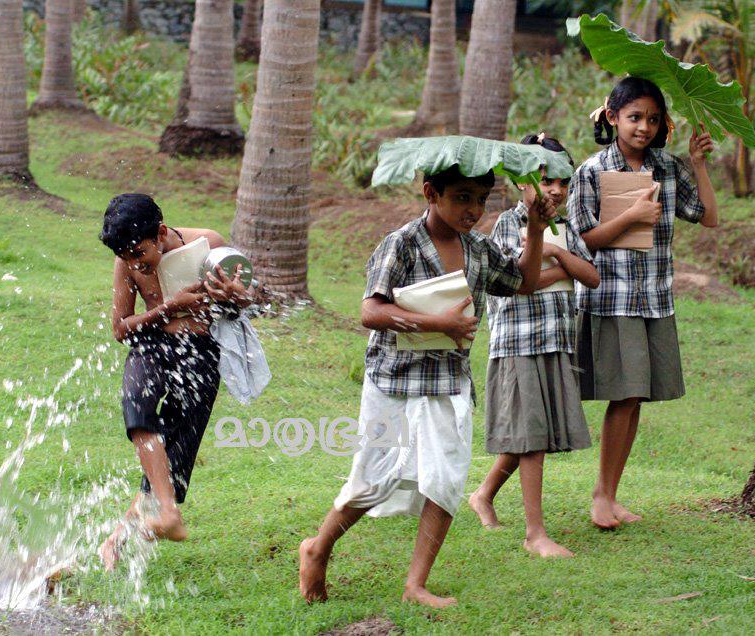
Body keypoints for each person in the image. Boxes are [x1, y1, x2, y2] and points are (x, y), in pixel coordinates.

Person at [299, 165, 557, 608]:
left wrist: (535, 230)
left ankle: (416, 585)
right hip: (394, 383)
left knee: (445, 480)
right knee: (372, 481)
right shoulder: (400, 244)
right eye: (462, 198)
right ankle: (317, 548)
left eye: (480, 199)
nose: (473, 210)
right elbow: (370, 312)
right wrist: (437, 322)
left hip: (448, 382)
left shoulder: (477, 247)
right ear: (430, 193)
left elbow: (524, 282)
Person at [566, 77, 718, 529]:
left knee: (634, 399)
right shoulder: (592, 171)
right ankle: (601, 496)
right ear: (612, 117)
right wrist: (631, 215)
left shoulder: (669, 169)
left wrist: (698, 164)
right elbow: (580, 244)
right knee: (626, 394)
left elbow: (709, 218)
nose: (644, 127)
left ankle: (609, 495)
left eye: (653, 119)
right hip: (611, 298)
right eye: (634, 117)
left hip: (654, 298)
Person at [97, 193, 252, 570]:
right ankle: (168, 515)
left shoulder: (210, 244)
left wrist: (236, 296)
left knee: (173, 458)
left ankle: (115, 541)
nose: (135, 264)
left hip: (201, 352)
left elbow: (251, 297)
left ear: (162, 232)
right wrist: (168, 306)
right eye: (127, 257)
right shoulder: (126, 261)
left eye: (140, 254)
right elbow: (121, 328)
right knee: (138, 408)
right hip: (151, 344)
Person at [468, 133, 600, 558]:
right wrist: (561, 270)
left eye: (563, 180)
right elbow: (518, 285)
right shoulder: (508, 225)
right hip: (519, 342)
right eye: (546, 180)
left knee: (532, 431)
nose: (556, 189)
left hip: (556, 339)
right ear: (521, 183)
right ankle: (535, 534)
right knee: (532, 436)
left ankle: (484, 495)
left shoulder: (568, 226)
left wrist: (559, 260)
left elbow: (591, 275)